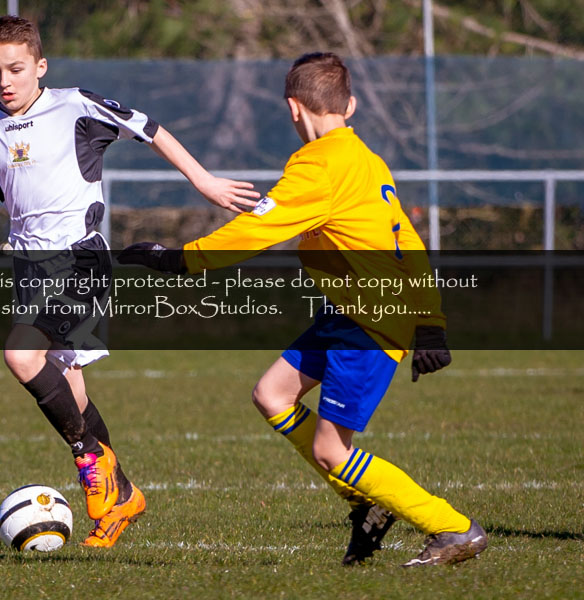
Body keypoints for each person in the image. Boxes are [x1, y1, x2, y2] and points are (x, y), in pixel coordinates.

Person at [118, 52, 488, 566]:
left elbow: (259, 228)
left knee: (331, 451)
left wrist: (181, 259)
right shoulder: (366, 159)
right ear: (350, 105)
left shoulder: (319, 165)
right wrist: (430, 322)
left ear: (293, 107)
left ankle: (453, 528)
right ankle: (366, 505)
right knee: (272, 394)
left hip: (371, 321)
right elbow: (407, 241)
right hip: (352, 312)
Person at [0, 15, 259, 548]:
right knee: (70, 387)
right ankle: (123, 497)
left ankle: (89, 456)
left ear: (40, 67)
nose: (4, 81)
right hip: (29, 269)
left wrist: (204, 181)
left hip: (81, 260)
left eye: (16, 69)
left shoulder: (75, 106)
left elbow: (150, 129)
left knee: (21, 356)